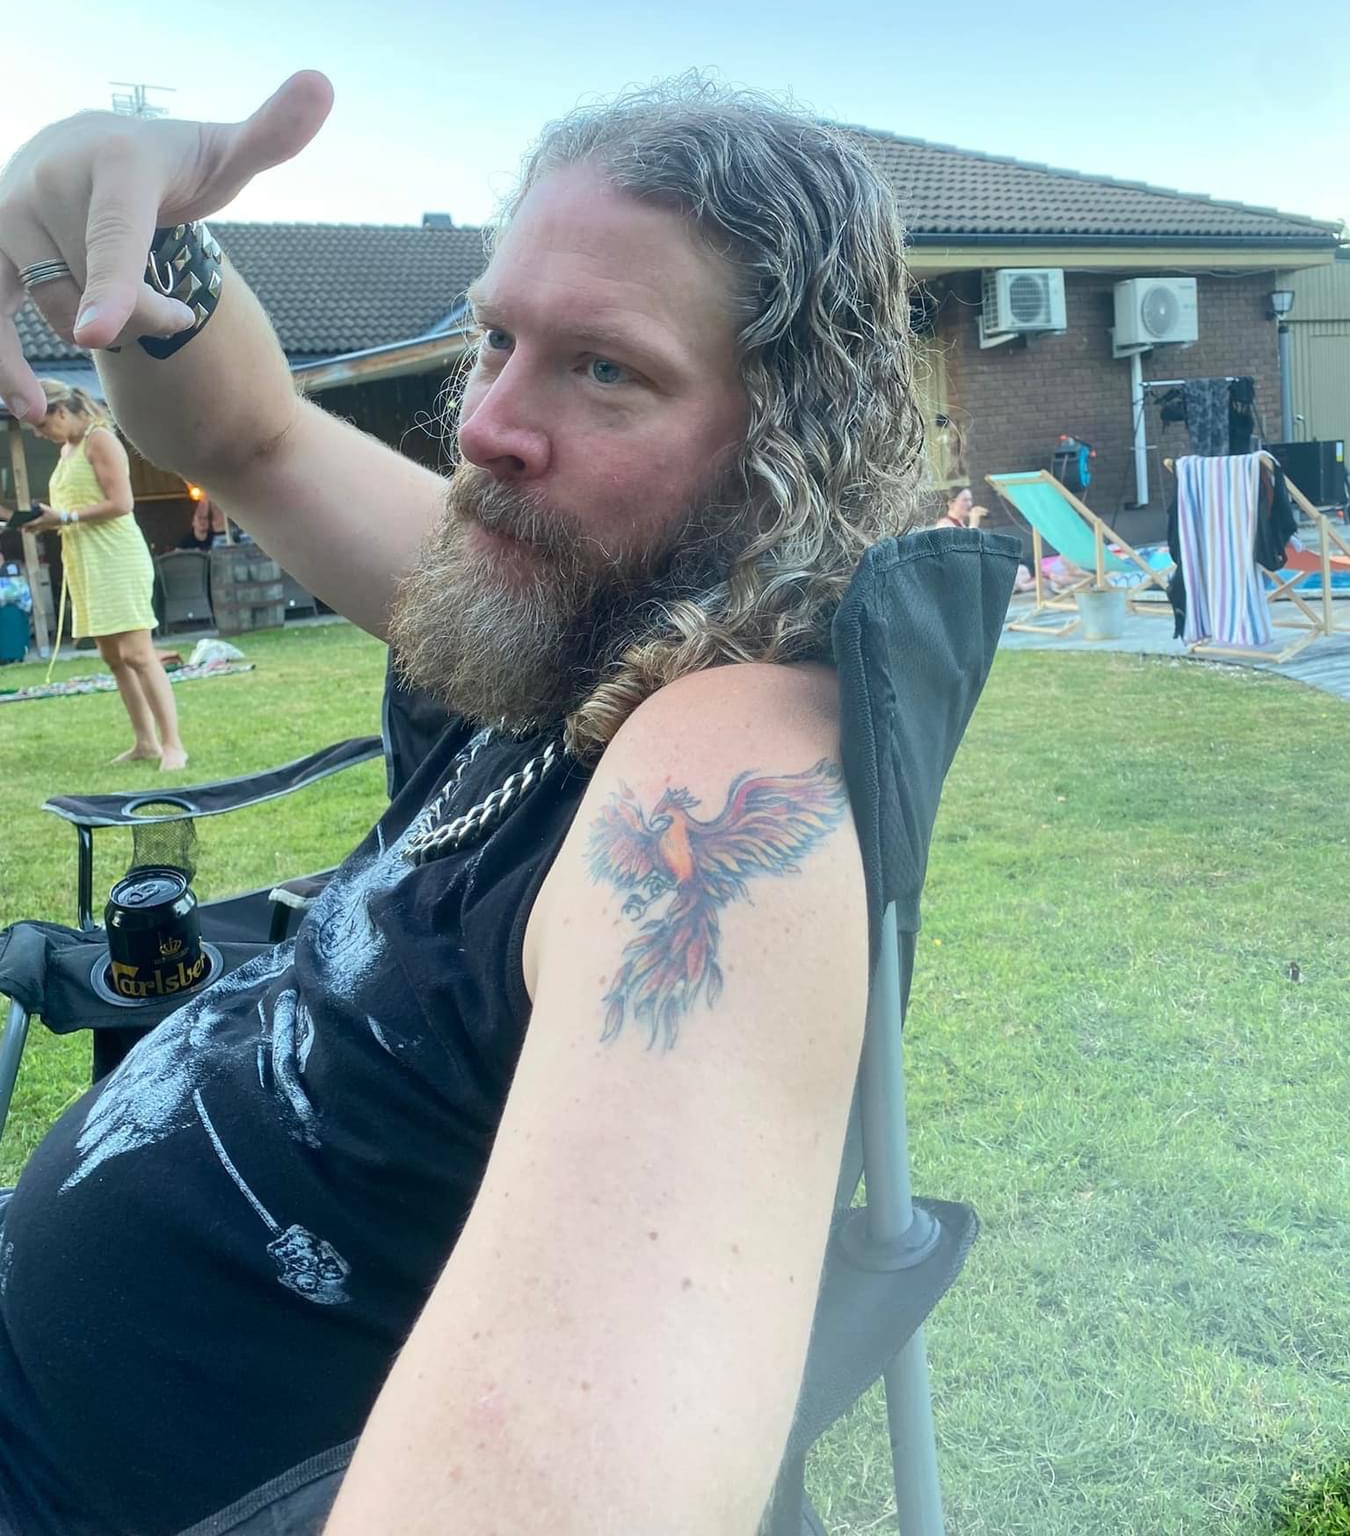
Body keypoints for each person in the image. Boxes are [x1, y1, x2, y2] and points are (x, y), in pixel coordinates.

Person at [0, 74, 927, 1536]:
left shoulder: (724, 753)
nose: (489, 424)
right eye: (499, 339)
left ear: (780, 441)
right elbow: (253, 439)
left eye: (604, 369)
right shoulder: (560, 614)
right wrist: (125, 222)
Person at [24, 381, 188, 769]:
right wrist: (46, 520)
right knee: (113, 657)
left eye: (42, 425)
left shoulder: (100, 440)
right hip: (86, 561)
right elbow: (75, 505)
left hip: (116, 557)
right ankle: (145, 742)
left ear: (61, 412)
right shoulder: (68, 449)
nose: (40, 435)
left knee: (138, 654)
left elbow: (121, 503)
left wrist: (64, 517)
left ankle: (173, 745)